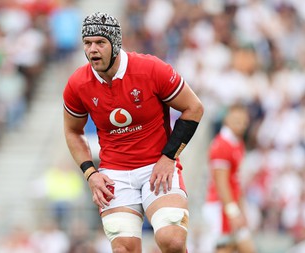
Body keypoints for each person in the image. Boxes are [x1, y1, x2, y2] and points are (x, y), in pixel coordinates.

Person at [63, 12, 203, 253]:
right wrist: (90, 173)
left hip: (156, 166)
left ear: (115, 43)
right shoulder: (78, 84)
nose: (93, 50)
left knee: (173, 240)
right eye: (88, 43)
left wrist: (169, 157)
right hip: (114, 173)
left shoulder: (150, 69)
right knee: (123, 249)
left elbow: (194, 108)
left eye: (100, 42)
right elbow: (72, 131)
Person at [202, 104, 256, 253]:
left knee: (247, 247)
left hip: (231, 204)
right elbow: (221, 183)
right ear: (227, 119)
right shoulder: (221, 145)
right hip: (220, 206)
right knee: (225, 248)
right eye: (238, 120)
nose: (242, 125)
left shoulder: (237, 143)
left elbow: (236, 182)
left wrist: (241, 209)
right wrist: (233, 212)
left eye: (244, 121)